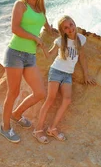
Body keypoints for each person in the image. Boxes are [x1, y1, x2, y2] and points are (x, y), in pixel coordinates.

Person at [0, 0, 54, 143]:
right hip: (15, 53)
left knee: (39, 93)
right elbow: (15, 28)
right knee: (13, 92)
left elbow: (48, 28)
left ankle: (16, 114)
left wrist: (63, 32)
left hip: (30, 57)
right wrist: (35, 38)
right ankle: (5, 127)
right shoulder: (20, 5)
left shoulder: (41, 10)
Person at [32, 15, 97, 144]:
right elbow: (49, 55)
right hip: (56, 71)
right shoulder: (60, 41)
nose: (70, 29)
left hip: (68, 74)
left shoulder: (81, 39)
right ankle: (38, 130)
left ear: (74, 23)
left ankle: (52, 128)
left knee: (67, 100)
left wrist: (86, 75)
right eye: (66, 28)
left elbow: (82, 58)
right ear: (63, 30)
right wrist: (43, 46)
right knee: (50, 99)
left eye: (71, 25)